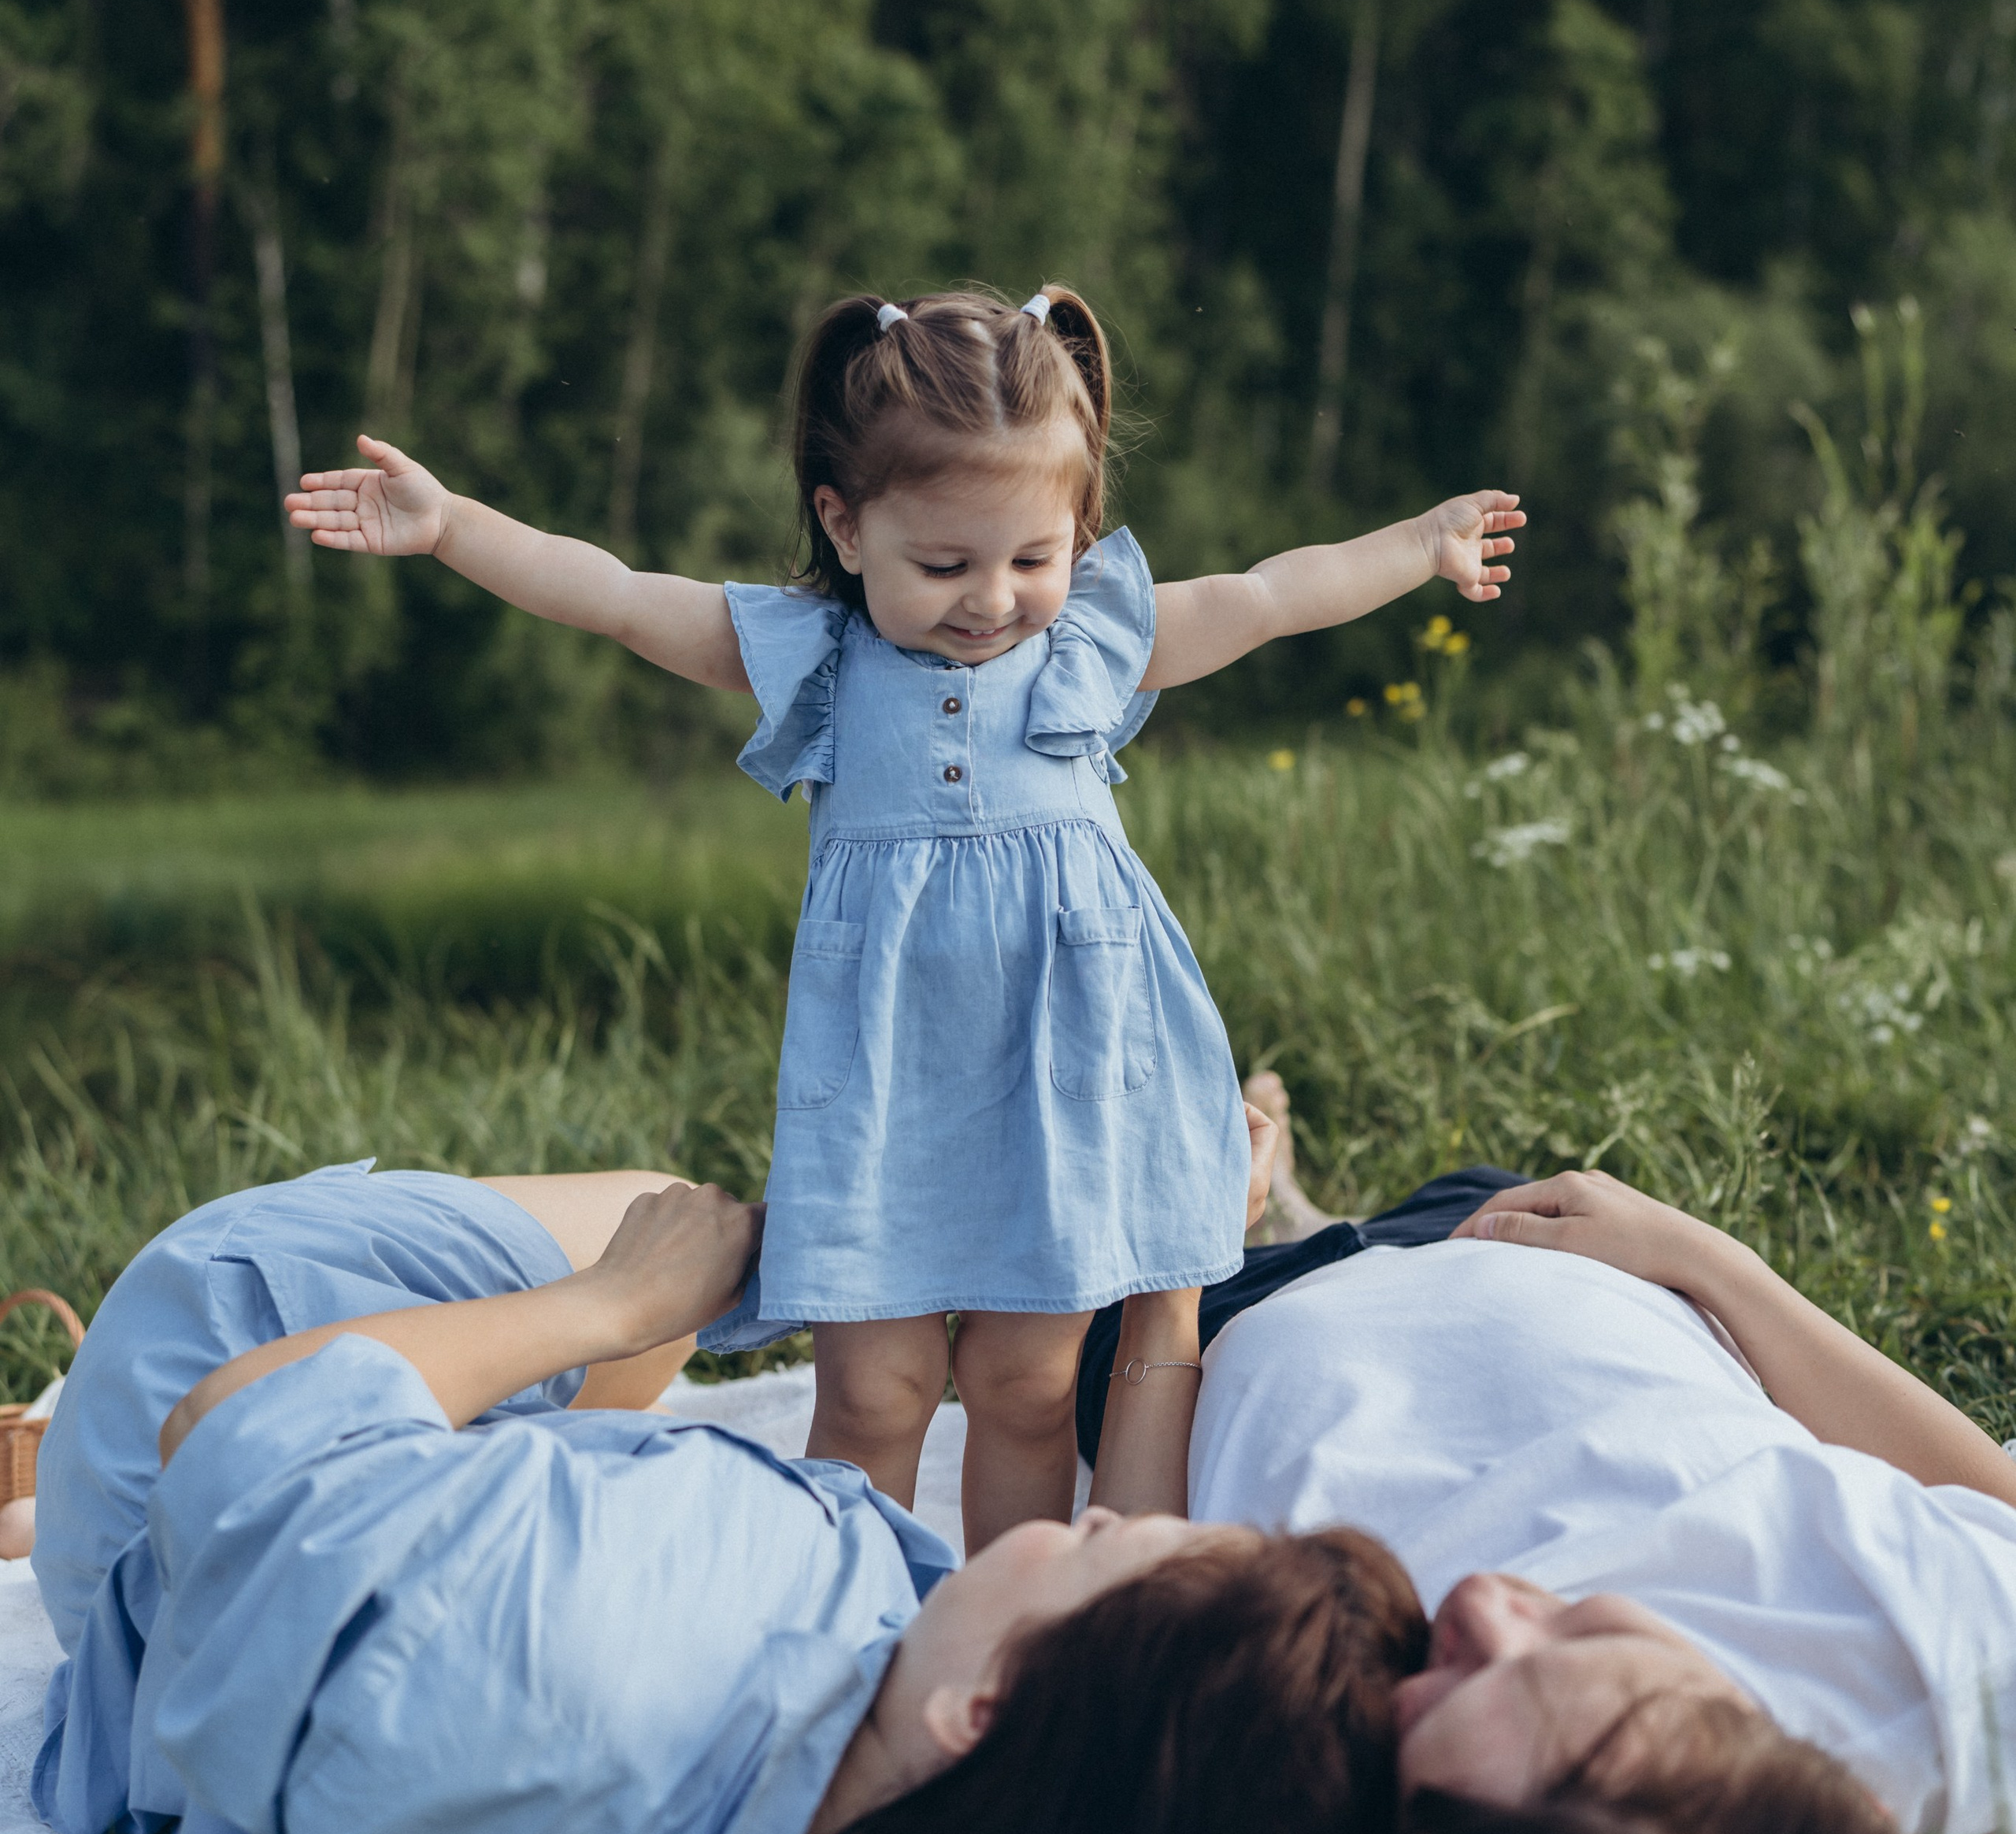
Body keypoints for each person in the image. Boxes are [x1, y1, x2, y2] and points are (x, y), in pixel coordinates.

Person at [283, 284, 1523, 1546]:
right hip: (883, 1081)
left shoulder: (1090, 640)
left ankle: (1003, 1626)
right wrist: (451, 530)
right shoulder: (815, 654)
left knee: (1026, 1388)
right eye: (945, 564)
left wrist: (1420, 545)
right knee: (875, 1391)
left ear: (1077, 536)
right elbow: (606, 590)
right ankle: (854, 1622)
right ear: (848, 523)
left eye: (1033, 558)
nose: (992, 598)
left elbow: (1268, 594)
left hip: (1069, 1071)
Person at [32, 1139, 1427, 1834]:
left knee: (671, 1220)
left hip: (203, 1419)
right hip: (413, 1565)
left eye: (1110, 1545)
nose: (1099, 1520)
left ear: (988, 1711)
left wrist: (621, 1304)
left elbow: (225, 1431)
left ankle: (37, 1457)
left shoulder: (587, 1635)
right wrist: (1171, 1291)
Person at [628, 1140, 1994, 1834]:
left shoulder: (1290, 1829)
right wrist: (1713, 1264)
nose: (1481, 1608)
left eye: (1432, 1687)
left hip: (1196, 1351)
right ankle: (1275, 1186)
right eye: (1593, 1656)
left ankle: (1245, 1198)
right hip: (1528, 1246)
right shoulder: (1924, 1669)